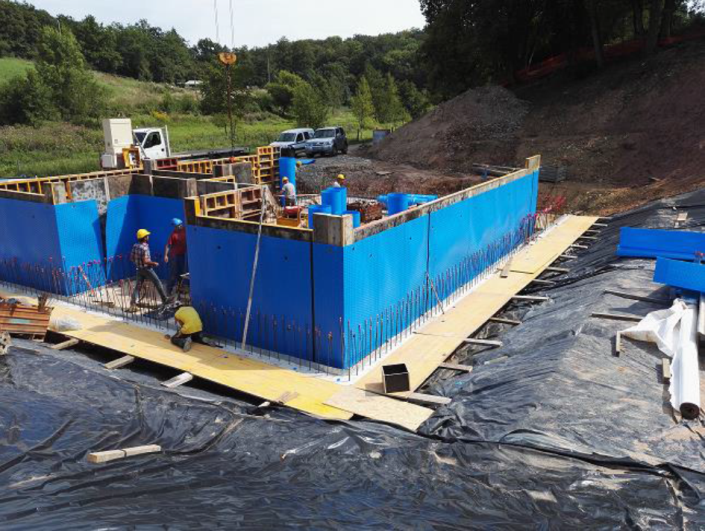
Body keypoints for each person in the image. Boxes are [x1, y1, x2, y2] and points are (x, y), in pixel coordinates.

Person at [129, 229, 168, 311]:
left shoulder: (135, 245)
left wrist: (137, 263)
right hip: (147, 269)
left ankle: (132, 303)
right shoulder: (145, 247)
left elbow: (131, 257)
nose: (148, 237)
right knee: (158, 283)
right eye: (147, 236)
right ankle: (165, 300)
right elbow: (145, 261)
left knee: (138, 287)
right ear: (144, 237)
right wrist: (154, 263)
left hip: (139, 269)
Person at [164, 218, 188, 298]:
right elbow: (168, 245)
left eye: (180, 225)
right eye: (177, 226)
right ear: (174, 227)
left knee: (182, 273)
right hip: (174, 256)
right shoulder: (173, 234)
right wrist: (165, 255)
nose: (179, 227)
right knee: (173, 274)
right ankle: (168, 290)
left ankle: (180, 289)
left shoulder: (185, 230)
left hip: (182, 255)